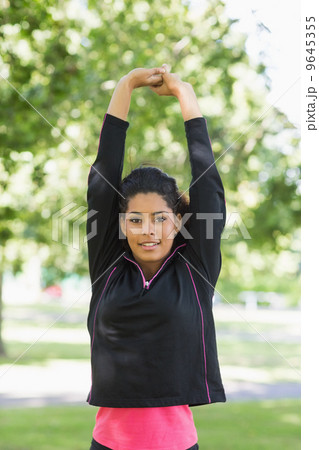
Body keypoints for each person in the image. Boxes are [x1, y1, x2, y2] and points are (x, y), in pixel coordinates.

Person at [86, 64, 227, 450]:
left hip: (177, 444)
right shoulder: (108, 267)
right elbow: (102, 180)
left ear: (179, 220)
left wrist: (185, 95)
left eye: (160, 219)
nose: (148, 230)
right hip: (108, 443)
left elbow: (209, 185)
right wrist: (125, 85)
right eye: (135, 219)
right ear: (120, 224)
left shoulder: (194, 268)